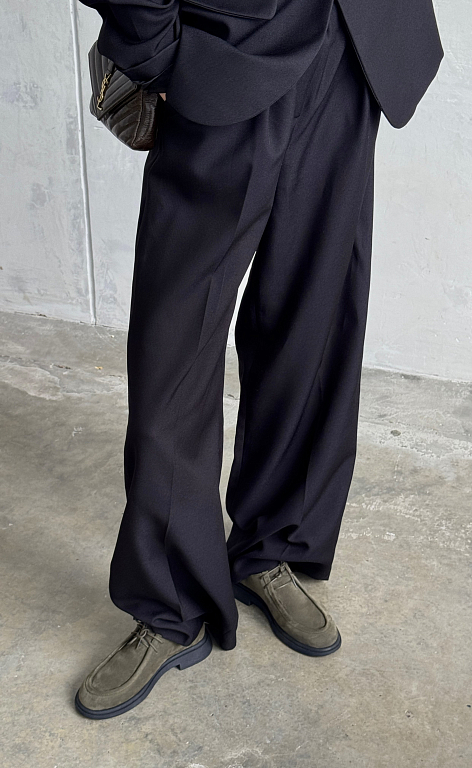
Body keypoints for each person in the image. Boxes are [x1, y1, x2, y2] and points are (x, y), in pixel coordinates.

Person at [74, 0, 443, 720]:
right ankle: (172, 602)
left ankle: (270, 543)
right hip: (224, 44)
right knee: (176, 341)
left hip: (355, 40)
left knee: (313, 318)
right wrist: (155, 52)